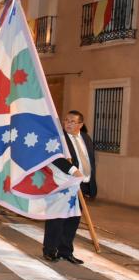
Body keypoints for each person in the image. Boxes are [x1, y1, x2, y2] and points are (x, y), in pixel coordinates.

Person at [43, 110, 96, 265]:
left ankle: (66, 251)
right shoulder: (59, 139)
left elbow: (89, 160)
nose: (68, 124)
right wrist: (74, 171)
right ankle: (50, 250)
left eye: (73, 121)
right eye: (66, 120)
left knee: (73, 220)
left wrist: (91, 181)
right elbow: (56, 159)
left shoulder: (86, 138)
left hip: (82, 184)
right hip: (64, 183)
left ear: (80, 124)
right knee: (57, 218)